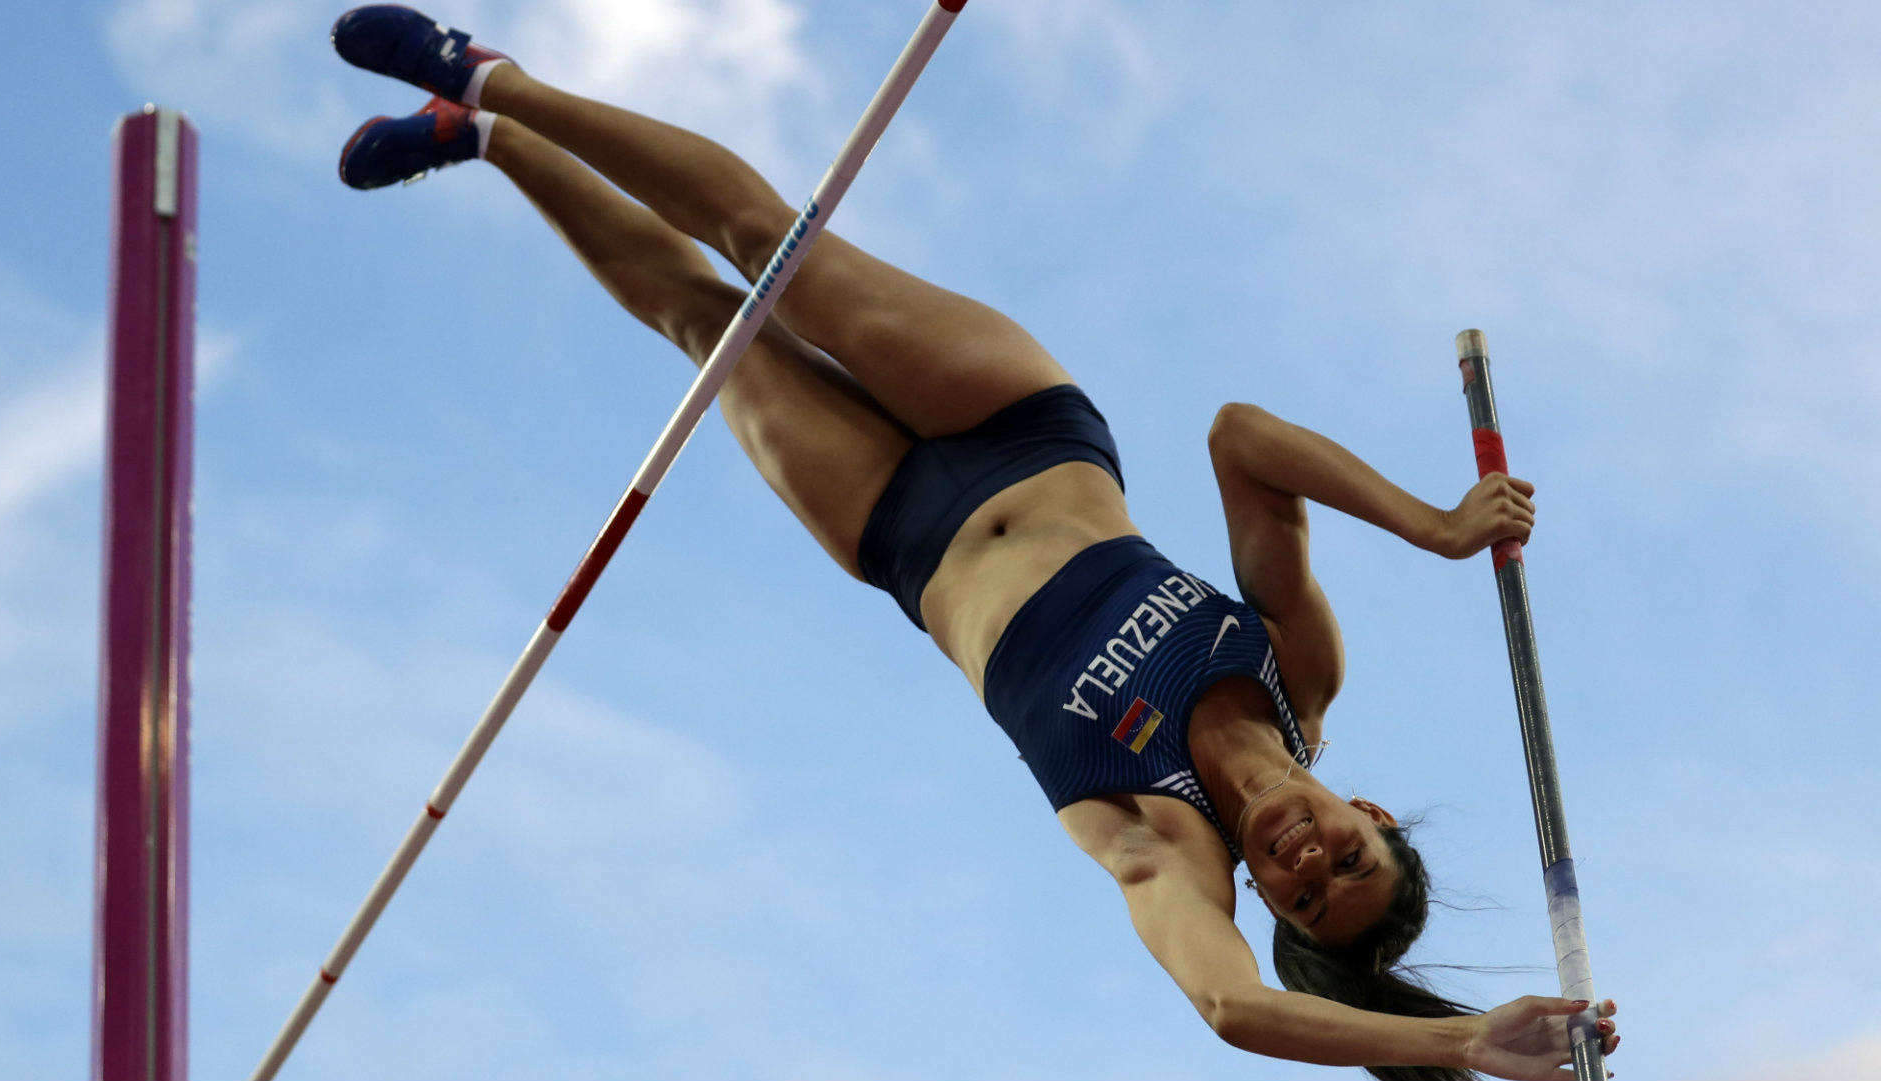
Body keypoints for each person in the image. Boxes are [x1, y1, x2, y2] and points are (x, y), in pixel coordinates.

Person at [327, 8, 1619, 1079]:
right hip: (1019, 426)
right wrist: (1437, 529)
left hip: (899, 536)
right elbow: (1240, 439)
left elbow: (1230, 1009)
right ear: (1370, 808)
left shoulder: (1161, 844)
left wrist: (1458, 1044)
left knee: (697, 317)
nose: (1301, 857)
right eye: (1347, 852)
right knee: (770, 246)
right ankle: (495, 75)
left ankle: (488, 140)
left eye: (1300, 894)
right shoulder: (1294, 665)